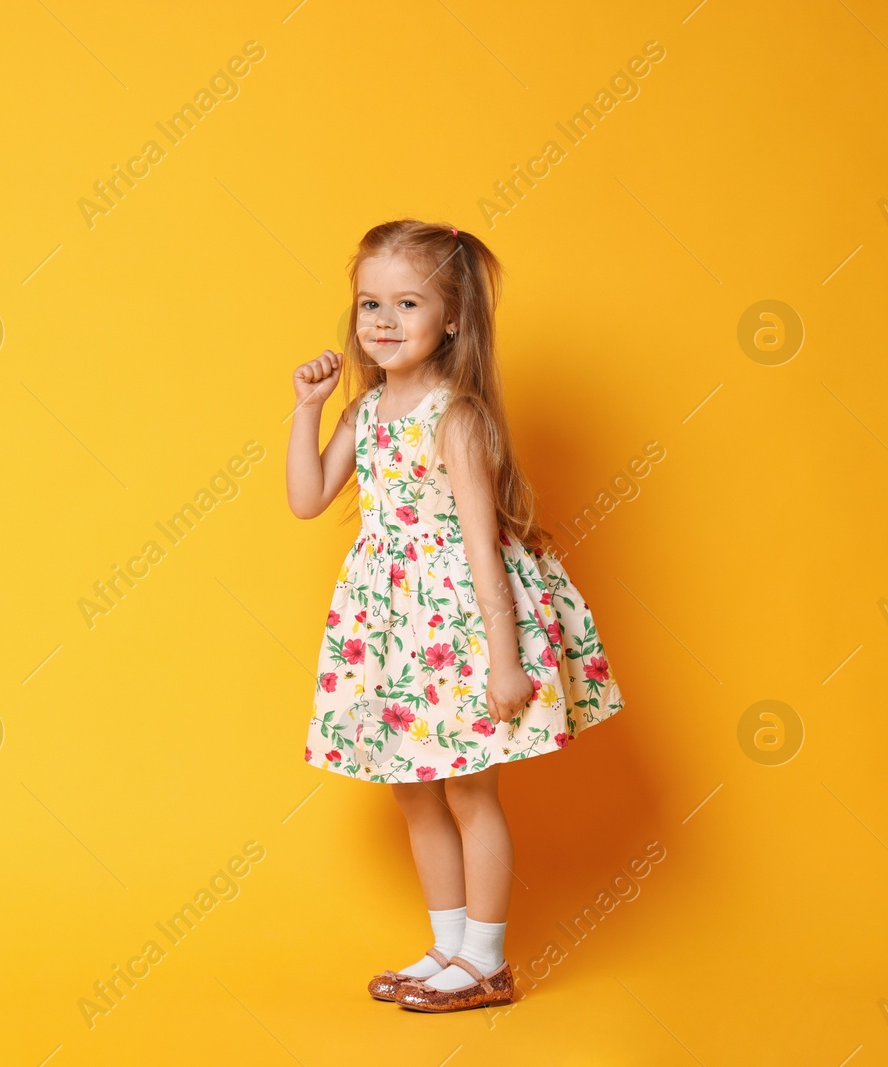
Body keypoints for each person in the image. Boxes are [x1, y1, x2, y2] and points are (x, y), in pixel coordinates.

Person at [285, 219, 625, 1013]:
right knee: (413, 788)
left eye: (408, 302)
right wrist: (309, 407)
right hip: (394, 632)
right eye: (371, 302)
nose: (384, 321)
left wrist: (506, 661)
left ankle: (488, 960)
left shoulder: (456, 415)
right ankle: (447, 948)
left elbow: (483, 547)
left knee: (470, 792)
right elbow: (306, 500)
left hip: (460, 627)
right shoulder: (364, 413)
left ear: (454, 320)